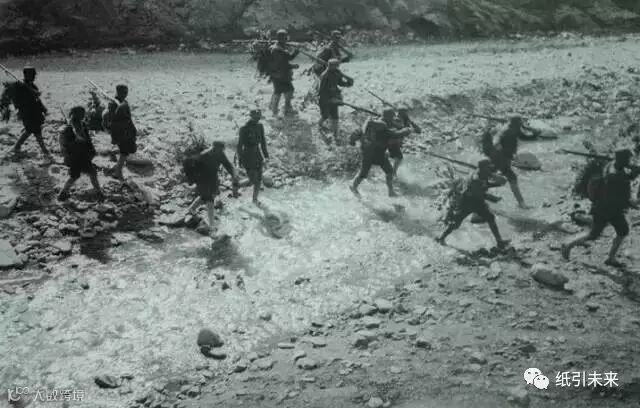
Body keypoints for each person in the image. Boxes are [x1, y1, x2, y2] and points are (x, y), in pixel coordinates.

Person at [561, 149, 639, 268]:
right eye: (628, 159)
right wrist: (636, 171)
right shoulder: (613, 173)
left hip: (615, 209)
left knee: (623, 231)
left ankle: (611, 258)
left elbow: (625, 181)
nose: (629, 161)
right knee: (593, 235)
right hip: (603, 210)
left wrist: (633, 169)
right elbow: (625, 178)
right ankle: (568, 245)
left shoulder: (613, 165)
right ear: (623, 160)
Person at [436, 159, 510, 249]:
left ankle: (499, 242)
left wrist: (498, 181)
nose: (491, 169)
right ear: (483, 168)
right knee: (456, 223)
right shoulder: (475, 179)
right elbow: (479, 192)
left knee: (490, 218)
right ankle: (441, 238)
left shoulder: (483, 173)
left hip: (476, 201)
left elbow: (488, 183)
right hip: (468, 202)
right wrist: (493, 198)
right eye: (489, 168)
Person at [349, 109, 412, 197]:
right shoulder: (382, 125)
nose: (393, 119)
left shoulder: (374, 123)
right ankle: (353, 186)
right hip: (373, 153)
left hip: (376, 153)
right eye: (392, 117)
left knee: (389, 171)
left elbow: (357, 132)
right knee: (364, 173)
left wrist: (352, 141)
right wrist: (407, 130)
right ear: (388, 117)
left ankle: (391, 191)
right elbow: (395, 134)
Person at [186, 141, 239, 236]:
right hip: (203, 180)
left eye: (222, 150)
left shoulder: (220, 154)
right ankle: (212, 228)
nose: (221, 151)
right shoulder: (203, 155)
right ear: (214, 148)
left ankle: (192, 208)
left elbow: (227, 164)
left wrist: (234, 175)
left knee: (208, 196)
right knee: (210, 201)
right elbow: (193, 169)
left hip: (213, 179)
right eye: (219, 150)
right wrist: (193, 183)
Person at [0, 66, 53, 162]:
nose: (34, 77)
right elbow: (18, 101)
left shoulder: (32, 86)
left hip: (35, 112)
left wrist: (43, 108)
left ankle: (17, 146)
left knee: (30, 130)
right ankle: (45, 151)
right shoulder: (19, 86)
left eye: (34, 75)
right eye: (32, 75)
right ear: (26, 75)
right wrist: (31, 94)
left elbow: (37, 100)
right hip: (27, 113)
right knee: (36, 130)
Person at [57, 106, 104, 201]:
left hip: (78, 156)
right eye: (83, 114)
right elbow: (79, 142)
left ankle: (63, 193)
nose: (84, 115)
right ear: (79, 115)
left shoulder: (76, 125)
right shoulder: (73, 128)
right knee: (86, 174)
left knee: (79, 175)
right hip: (78, 157)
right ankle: (98, 192)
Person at [488, 116, 529, 209]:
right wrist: (501, 151)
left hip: (505, 159)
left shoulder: (515, 129)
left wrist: (534, 133)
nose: (520, 126)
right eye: (519, 124)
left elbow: (523, 136)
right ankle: (521, 203)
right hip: (500, 159)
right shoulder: (505, 130)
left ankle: (486, 195)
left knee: (491, 176)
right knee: (511, 178)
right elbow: (496, 141)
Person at [237, 109, 269, 206]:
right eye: (255, 117)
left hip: (257, 154)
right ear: (251, 116)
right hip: (247, 155)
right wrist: (240, 160)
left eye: (259, 117)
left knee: (259, 179)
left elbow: (263, 143)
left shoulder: (260, 126)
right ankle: (236, 185)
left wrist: (266, 156)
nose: (257, 119)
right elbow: (239, 146)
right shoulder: (244, 128)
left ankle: (254, 200)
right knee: (252, 180)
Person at [317, 59, 354, 142]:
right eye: (336, 66)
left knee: (335, 117)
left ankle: (336, 135)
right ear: (330, 66)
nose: (337, 67)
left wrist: (346, 79)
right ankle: (319, 125)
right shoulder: (325, 76)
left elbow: (341, 83)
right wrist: (330, 99)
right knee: (325, 116)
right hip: (325, 100)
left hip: (334, 98)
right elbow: (321, 91)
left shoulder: (336, 73)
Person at [107, 84, 137, 180]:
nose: (126, 94)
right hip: (121, 132)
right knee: (124, 152)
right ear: (118, 92)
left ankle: (114, 158)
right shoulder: (113, 104)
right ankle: (117, 173)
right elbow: (113, 121)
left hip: (125, 131)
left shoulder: (123, 102)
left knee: (126, 150)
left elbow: (128, 118)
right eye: (124, 92)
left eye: (126, 92)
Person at [268, 29, 299, 117]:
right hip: (280, 74)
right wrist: (293, 65)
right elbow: (286, 61)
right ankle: (277, 110)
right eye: (285, 38)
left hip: (276, 74)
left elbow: (285, 60)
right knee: (281, 91)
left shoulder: (276, 47)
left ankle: (283, 107)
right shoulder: (278, 49)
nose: (287, 39)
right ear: (282, 38)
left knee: (285, 90)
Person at [389, 108, 422, 177]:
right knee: (399, 157)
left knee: (396, 157)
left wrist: (411, 122)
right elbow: (397, 126)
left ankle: (392, 171)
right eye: (406, 113)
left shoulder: (406, 120)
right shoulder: (396, 119)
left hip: (397, 142)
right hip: (392, 141)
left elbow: (419, 131)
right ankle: (393, 173)